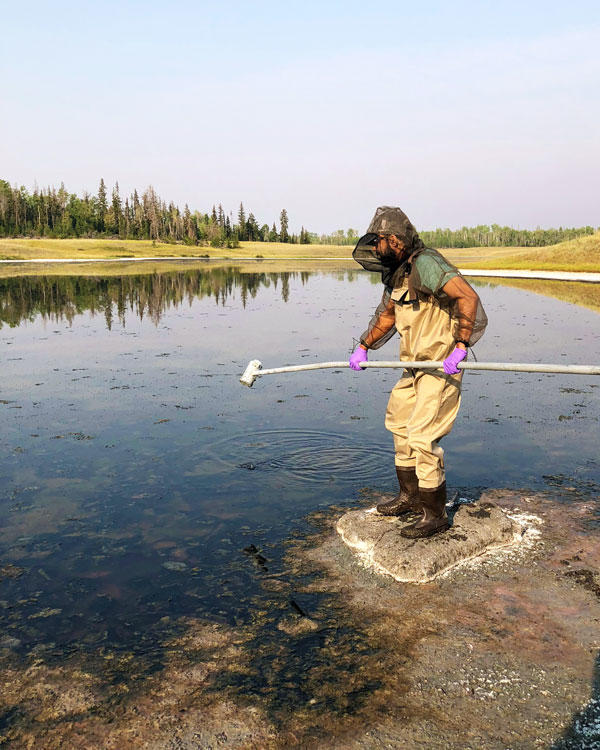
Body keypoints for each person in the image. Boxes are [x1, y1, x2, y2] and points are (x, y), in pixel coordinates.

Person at [349, 206, 487, 538]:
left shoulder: (427, 263)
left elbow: (467, 298)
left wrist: (460, 345)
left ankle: (434, 515)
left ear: (394, 240)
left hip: (439, 366)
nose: (376, 249)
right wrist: (363, 345)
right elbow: (387, 316)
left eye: (379, 242)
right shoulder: (400, 272)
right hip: (412, 367)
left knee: (423, 436)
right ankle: (410, 498)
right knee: (399, 423)